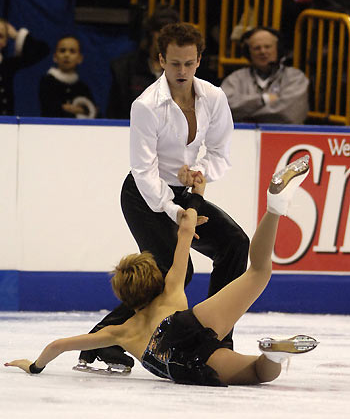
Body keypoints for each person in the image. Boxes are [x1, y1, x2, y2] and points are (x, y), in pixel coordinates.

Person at [5, 155, 319, 386]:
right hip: (184, 321)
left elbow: (58, 346)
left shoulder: (120, 331)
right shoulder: (171, 287)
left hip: (177, 362)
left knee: (256, 373)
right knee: (259, 272)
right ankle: (274, 208)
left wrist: (33, 365)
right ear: (153, 277)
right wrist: (196, 195)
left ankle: (273, 356)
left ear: (124, 294)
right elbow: (185, 229)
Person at [76, 22, 250, 374]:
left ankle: (218, 335)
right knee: (176, 273)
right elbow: (143, 170)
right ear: (161, 61)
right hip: (145, 196)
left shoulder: (213, 97)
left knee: (234, 243)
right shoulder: (146, 106)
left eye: (188, 63)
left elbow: (220, 152)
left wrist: (198, 172)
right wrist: (175, 210)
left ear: (199, 60)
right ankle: (105, 338)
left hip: (186, 192)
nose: (182, 71)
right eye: (174, 64)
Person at [220, 27, 309, 124]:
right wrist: (264, 100)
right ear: (248, 53)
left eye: (267, 47)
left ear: (278, 49)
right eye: (257, 48)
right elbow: (223, 107)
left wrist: (246, 114)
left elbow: (289, 115)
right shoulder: (235, 79)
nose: (262, 51)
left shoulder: (296, 78)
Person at [106, 5, 180, 119]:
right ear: (151, 33)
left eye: (171, 34)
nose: (166, 39)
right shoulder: (124, 68)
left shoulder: (186, 71)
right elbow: (114, 115)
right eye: (160, 31)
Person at [39, 35, 97, 119]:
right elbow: (51, 110)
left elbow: (93, 112)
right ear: (55, 57)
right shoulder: (47, 82)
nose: (67, 55)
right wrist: (78, 110)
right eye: (62, 51)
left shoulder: (83, 87)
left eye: (72, 51)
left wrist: (71, 109)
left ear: (80, 58)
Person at [0, 18, 49, 116]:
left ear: (5, 42)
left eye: (0, 36)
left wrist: (17, 35)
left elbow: (42, 50)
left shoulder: (8, 65)